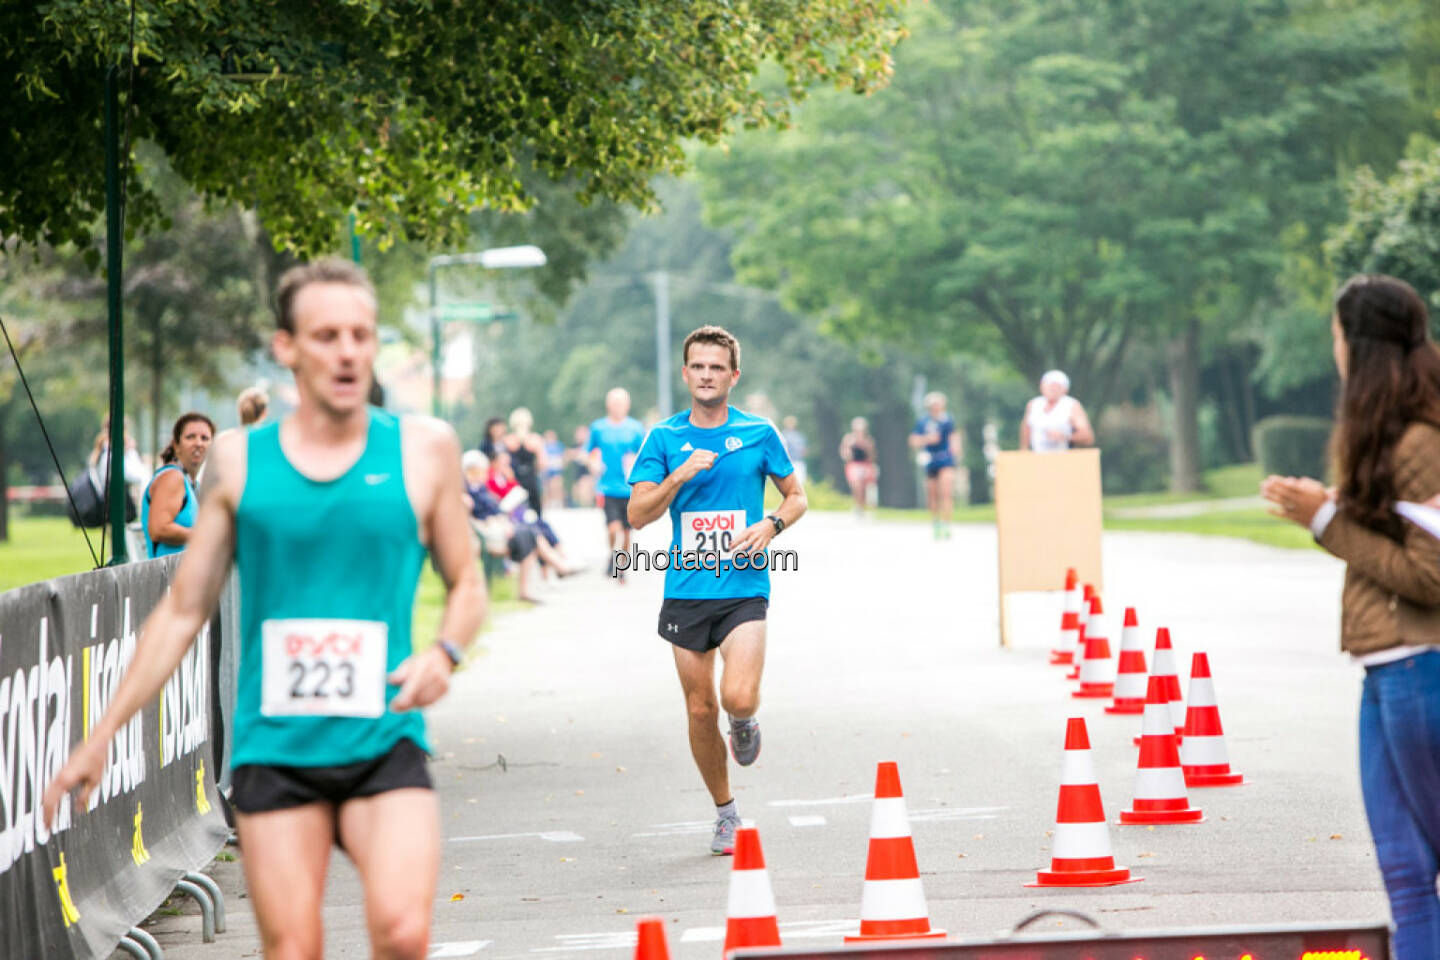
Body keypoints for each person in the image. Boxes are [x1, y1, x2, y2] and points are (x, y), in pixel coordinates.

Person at [44, 257, 486, 960]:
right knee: (293, 947)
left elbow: (468, 583)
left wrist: (445, 652)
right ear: (287, 349)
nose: (347, 351)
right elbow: (184, 610)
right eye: (327, 335)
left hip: (384, 741)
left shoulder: (424, 449)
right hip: (275, 750)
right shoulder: (240, 461)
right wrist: (101, 736)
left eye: (361, 335)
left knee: (403, 934)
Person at [1260, 274, 1440, 960]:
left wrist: (1327, 519)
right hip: (1383, 668)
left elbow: (1430, 575)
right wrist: (1337, 506)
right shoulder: (1388, 436)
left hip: (1420, 665)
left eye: (1335, 336)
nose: (1332, 350)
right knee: (1403, 873)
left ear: (1359, 346)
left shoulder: (1422, 441)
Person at [628, 325, 807, 856]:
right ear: (686, 374)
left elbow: (796, 495)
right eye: (697, 367)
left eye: (716, 367)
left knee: (736, 697)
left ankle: (746, 720)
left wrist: (772, 525)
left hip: (744, 584)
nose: (706, 376)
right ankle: (725, 814)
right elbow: (638, 515)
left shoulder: (758, 433)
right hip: (686, 586)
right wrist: (678, 476)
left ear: (733, 375)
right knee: (701, 709)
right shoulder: (663, 439)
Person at [587, 388, 646, 582]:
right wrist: (593, 463)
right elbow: (588, 452)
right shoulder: (598, 427)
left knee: (627, 531)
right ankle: (613, 554)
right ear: (608, 405)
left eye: (621, 403)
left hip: (629, 488)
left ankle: (621, 567)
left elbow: (645, 455)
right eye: (615, 403)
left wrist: (635, 461)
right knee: (613, 529)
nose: (618, 407)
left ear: (627, 405)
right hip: (607, 487)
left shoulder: (636, 428)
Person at [140, 412, 214, 558]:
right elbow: (159, 529)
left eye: (204, 438)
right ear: (176, 445)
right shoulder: (172, 477)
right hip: (166, 578)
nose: (198, 443)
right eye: (190, 437)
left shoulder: (194, 485)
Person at [910, 392, 960, 539]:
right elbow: (913, 440)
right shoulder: (923, 422)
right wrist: (927, 439)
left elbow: (954, 437)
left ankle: (947, 523)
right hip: (930, 460)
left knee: (946, 491)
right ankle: (935, 521)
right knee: (932, 494)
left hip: (945, 459)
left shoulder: (947, 420)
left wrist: (956, 450)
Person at [1019, 370, 1094, 452]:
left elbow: (1088, 437)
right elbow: (1026, 429)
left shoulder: (1071, 405)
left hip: (1064, 458)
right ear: (1042, 386)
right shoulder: (1033, 404)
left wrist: (1065, 437)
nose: (1053, 389)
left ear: (1065, 389)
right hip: (1038, 458)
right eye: (1050, 385)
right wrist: (1024, 450)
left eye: (1057, 386)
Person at [504, 407, 547, 517]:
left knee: (515, 513)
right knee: (537, 513)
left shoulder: (508, 441)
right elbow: (542, 463)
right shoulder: (535, 440)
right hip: (531, 479)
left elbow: (504, 464)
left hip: (514, 481)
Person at [839, 416, 877, 518]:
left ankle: (862, 507)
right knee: (857, 486)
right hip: (853, 465)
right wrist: (848, 452)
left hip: (865, 465)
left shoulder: (868, 441)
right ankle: (857, 506)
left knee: (864, 487)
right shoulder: (849, 439)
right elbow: (844, 453)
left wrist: (866, 447)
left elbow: (872, 456)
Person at [567, 424, 595, 508]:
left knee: (584, 487)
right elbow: (567, 456)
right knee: (576, 494)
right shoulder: (575, 446)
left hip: (588, 475)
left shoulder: (590, 447)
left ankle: (587, 507)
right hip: (577, 476)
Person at [780, 415, 808, 486]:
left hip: (798, 462)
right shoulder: (782, 435)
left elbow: (804, 450)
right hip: (788, 463)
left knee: (801, 485)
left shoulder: (799, 436)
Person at [542, 429, 566, 510]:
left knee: (557, 486)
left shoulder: (559, 446)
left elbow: (562, 457)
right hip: (547, 470)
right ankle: (546, 505)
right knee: (546, 488)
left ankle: (560, 504)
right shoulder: (543, 446)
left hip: (556, 470)